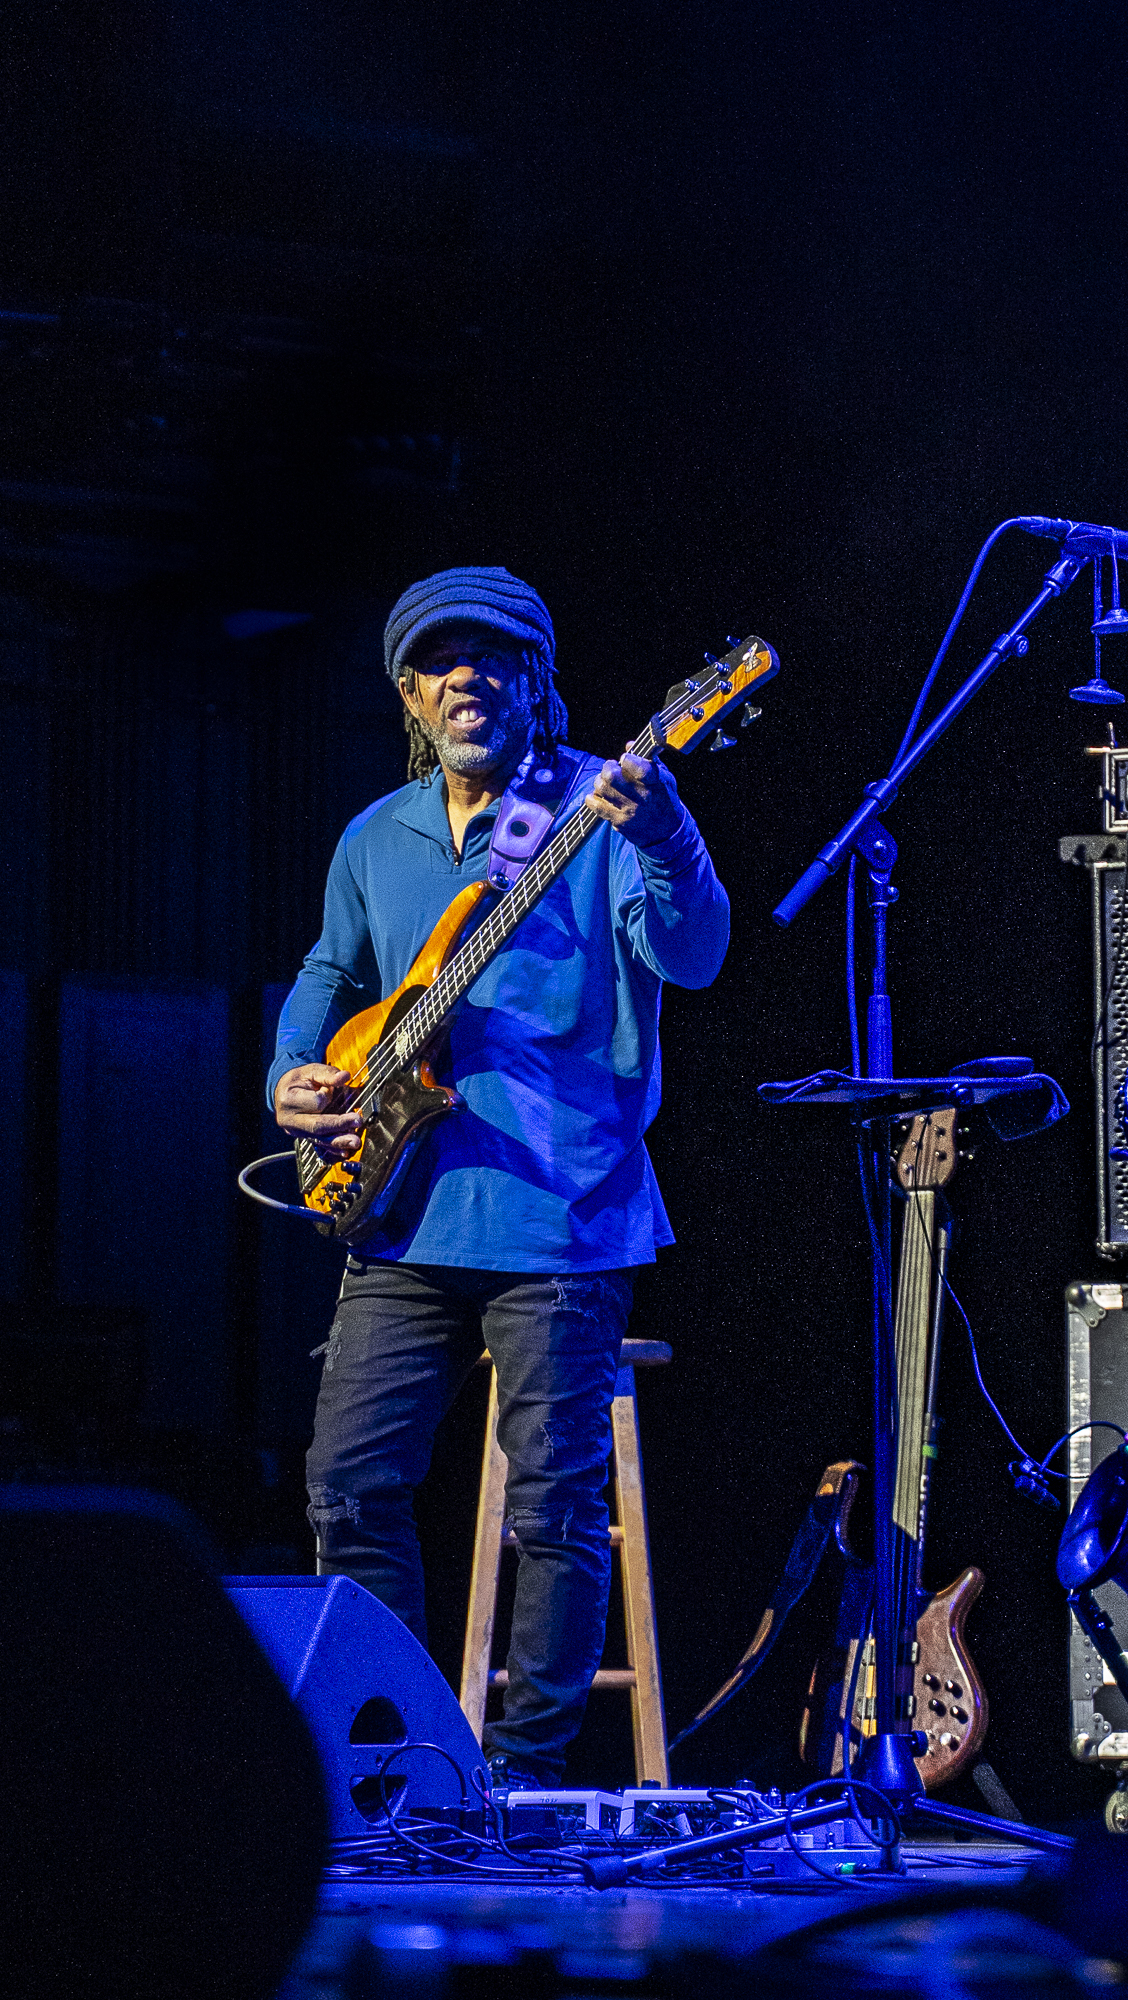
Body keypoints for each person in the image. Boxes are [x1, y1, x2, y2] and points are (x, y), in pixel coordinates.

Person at [268, 565, 729, 1789]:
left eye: (494, 658)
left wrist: (668, 831)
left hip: (563, 1215)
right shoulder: (380, 835)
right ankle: (407, 1755)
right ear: (411, 697)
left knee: (555, 1513)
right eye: (439, 663)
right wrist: (288, 1075)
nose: (465, 677)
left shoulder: (593, 810)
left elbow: (697, 955)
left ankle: (518, 1780)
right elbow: (327, 970)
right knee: (350, 1484)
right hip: (405, 1207)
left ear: (537, 681)